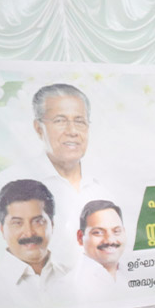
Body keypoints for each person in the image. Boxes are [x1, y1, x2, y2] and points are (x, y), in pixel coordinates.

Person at [32, 83, 112, 268]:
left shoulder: (106, 183)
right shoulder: (16, 185)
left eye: (80, 121)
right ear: (38, 128)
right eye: (60, 121)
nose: (72, 131)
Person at [0, 179, 69, 296]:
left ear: (52, 225)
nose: (29, 233)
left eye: (38, 221)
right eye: (17, 223)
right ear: (2, 230)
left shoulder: (73, 278)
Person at [73, 199, 127, 286]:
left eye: (116, 231)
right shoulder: (70, 285)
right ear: (80, 237)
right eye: (98, 232)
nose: (110, 240)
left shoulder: (134, 274)